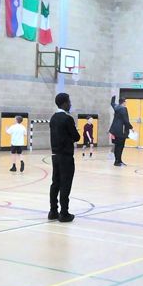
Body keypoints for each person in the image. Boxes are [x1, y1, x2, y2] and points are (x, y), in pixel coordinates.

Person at [50, 93, 80, 222]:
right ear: (64, 103)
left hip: (55, 155)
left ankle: (53, 211)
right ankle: (64, 213)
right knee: (65, 184)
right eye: (69, 101)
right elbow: (76, 137)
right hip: (66, 157)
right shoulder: (67, 119)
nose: (70, 104)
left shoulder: (53, 118)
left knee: (55, 183)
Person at [109, 95, 132, 166]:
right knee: (120, 146)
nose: (126, 103)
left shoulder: (116, 107)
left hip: (114, 130)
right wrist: (131, 127)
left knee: (117, 146)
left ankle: (118, 160)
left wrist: (113, 97)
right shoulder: (123, 109)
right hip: (121, 131)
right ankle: (117, 161)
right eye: (125, 102)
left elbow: (112, 103)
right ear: (123, 102)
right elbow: (126, 120)